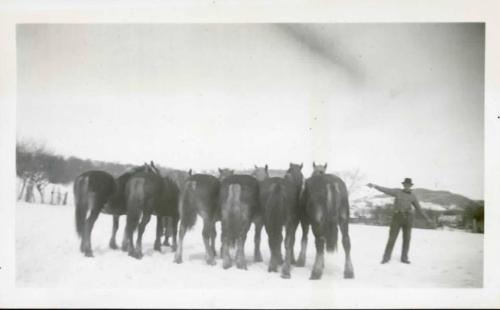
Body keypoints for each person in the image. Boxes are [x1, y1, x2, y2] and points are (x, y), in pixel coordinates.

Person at [367, 178, 435, 264]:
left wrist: (427, 219)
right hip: (397, 217)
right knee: (392, 238)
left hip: (408, 218)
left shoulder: (413, 196)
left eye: (408, 185)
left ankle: (404, 258)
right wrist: (375, 186)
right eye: (405, 185)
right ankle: (386, 258)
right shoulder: (397, 192)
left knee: (407, 239)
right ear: (403, 185)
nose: (407, 186)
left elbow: (419, 209)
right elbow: (386, 190)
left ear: (410, 186)